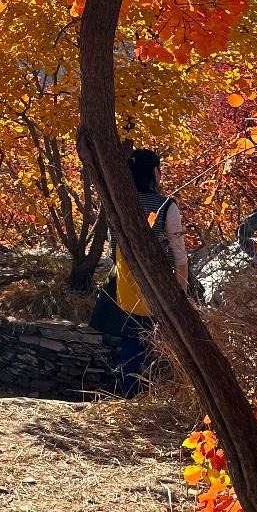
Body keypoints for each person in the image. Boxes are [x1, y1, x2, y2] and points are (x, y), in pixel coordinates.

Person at [97, 148, 189, 398]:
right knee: (157, 341)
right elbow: (179, 255)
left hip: (124, 280)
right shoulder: (166, 206)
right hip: (159, 281)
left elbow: (112, 247)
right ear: (154, 172)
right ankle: (151, 395)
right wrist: (182, 293)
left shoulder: (117, 203)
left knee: (132, 340)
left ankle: (131, 393)